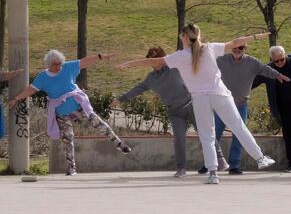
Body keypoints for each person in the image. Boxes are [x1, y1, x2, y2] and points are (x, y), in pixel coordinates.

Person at [117, 23, 278, 184]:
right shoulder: (209, 48)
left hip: (200, 99)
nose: (181, 39)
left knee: (207, 136)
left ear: (185, 37)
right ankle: (260, 158)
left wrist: (130, 63)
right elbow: (235, 42)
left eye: (181, 36)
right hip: (220, 95)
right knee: (238, 127)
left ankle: (213, 174)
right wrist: (257, 36)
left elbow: (156, 62)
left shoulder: (180, 56)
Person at [111, 46, 229, 178]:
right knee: (178, 138)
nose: (153, 62)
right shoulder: (151, 78)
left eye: (156, 58)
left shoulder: (176, 68)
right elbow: (138, 89)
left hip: (191, 105)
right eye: (150, 59)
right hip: (175, 112)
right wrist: (121, 99)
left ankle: (220, 159)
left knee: (205, 133)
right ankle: (181, 168)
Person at [8, 49, 131, 176]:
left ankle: (119, 143)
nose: (58, 66)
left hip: (79, 106)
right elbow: (31, 89)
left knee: (97, 122)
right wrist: (16, 99)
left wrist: (100, 57)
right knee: (67, 138)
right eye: (55, 64)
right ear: (48, 64)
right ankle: (71, 167)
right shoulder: (42, 78)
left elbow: (83, 62)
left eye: (60, 63)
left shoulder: (67, 67)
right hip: (62, 113)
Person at [199, 43, 289, 175]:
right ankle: (208, 164)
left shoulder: (252, 62)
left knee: (240, 135)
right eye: (234, 47)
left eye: (240, 48)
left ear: (245, 49)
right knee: (214, 135)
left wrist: (278, 75)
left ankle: (234, 165)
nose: (237, 50)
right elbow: (206, 66)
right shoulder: (221, 59)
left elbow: (265, 69)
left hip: (241, 105)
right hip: (221, 104)